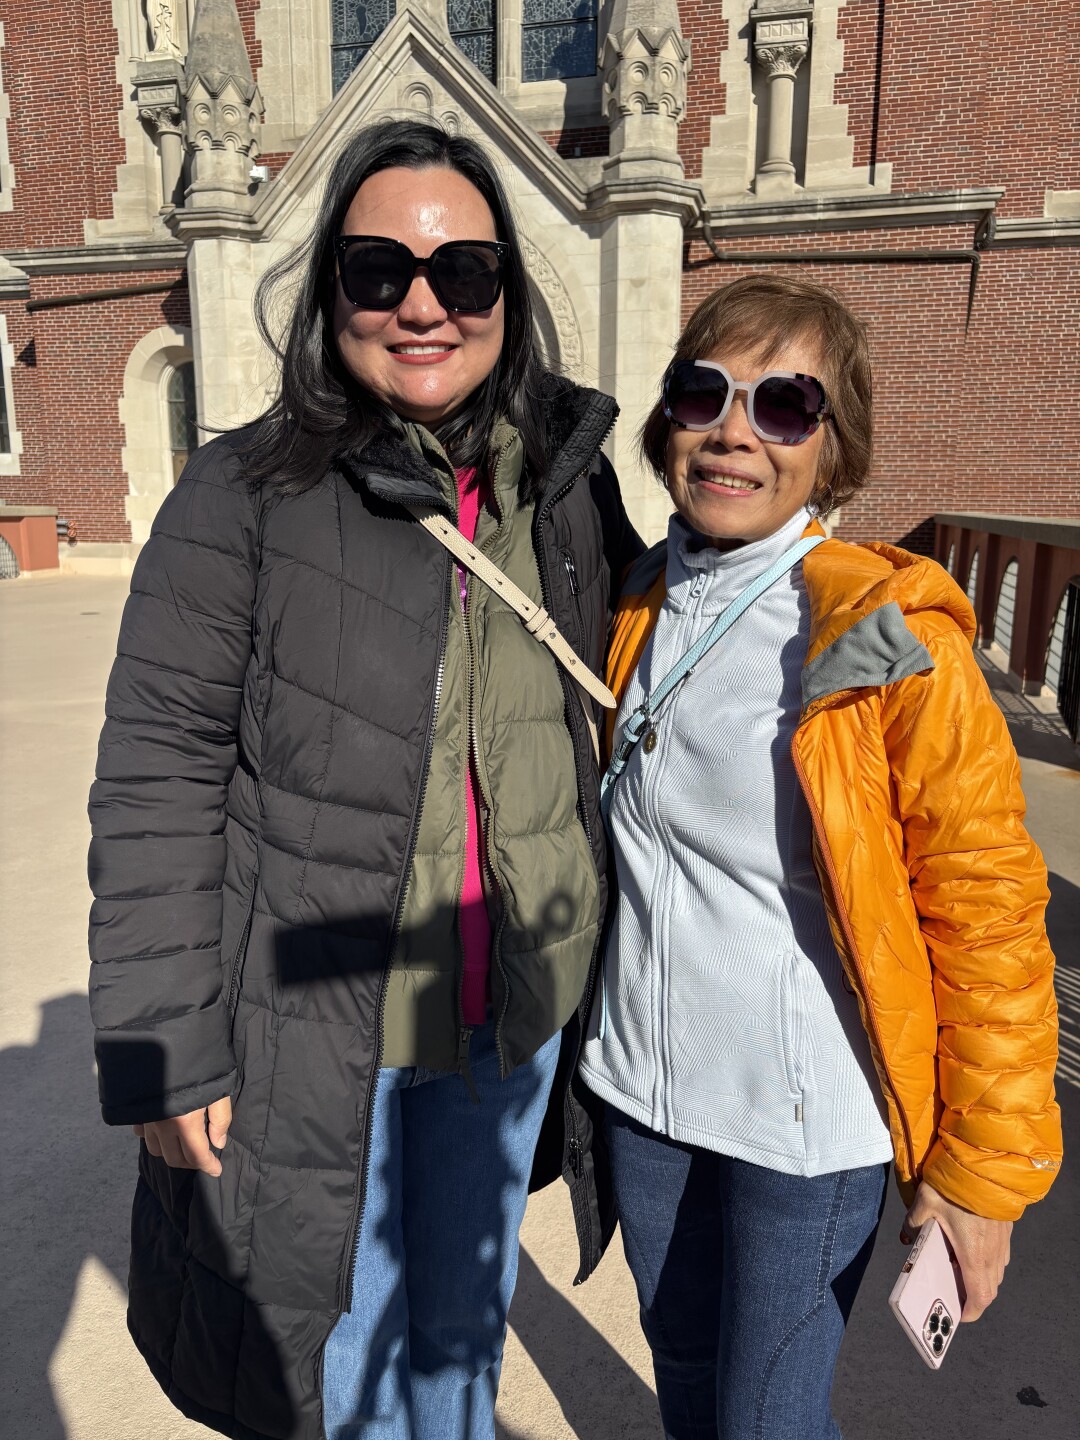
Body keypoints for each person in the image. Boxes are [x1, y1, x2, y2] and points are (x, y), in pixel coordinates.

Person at [87, 118, 639, 1440]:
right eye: (377, 270)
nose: (422, 305)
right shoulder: (242, 494)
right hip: (331, 1032)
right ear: (328, 289)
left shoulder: (567, 483)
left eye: (464, 274)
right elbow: (155, 777)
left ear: (510, 291)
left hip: (513, 1008)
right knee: (343, 1348)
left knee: (458, 1327)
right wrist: (167, 1052)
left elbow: (652, 667)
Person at [577, 274, 1062, 1439]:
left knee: (766, 1423)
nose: (736, 431)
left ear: (834, 451)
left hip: (806, 1128)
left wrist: (983, 1178)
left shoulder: (885, 636)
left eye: (785, 406)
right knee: (687, 1386)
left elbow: (988, 915)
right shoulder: (637, 597)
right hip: (642, 1097)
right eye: (706, 394)